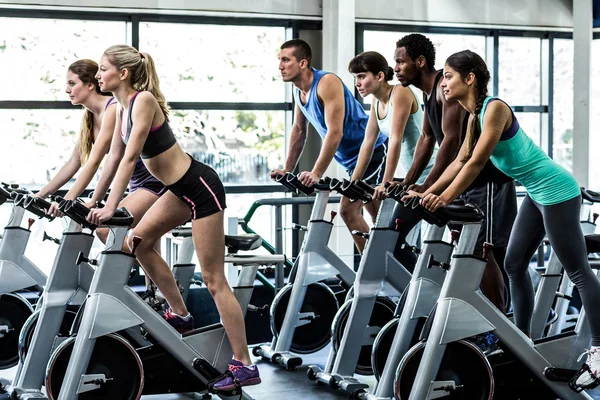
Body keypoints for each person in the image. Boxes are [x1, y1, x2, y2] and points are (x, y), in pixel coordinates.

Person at [407, 49, 600, 389]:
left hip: (556, 190)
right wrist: (426, 192)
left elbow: (476, 164)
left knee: (578, 271)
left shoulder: (494, 108)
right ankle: (522, 341)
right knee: (513, 264)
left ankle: (599, 348)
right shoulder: (474, 115)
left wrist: (444, 198)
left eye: (449, 77)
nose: (443, 85)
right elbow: (456, 161)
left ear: (470, 78)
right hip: (535, 193)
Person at [85, 44, 260, 392]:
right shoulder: (119, 111)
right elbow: (111, 161)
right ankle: (179, 313)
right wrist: (93, 202)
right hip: (177, 190)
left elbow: (130, 158)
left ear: (122, 74)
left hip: (199, 186)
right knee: (138, 242)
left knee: (213, 278)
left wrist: (111, 207)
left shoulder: (143, 101)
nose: (98, 75)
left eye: (103, 68)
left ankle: (244, 362)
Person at [393, 34, 516, 312]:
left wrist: (430, 189)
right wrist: (409, 183)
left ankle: (500, 321)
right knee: (470, 249)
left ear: (420, 62)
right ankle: (489, 317)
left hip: (487, 182)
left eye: (401, 62)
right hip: (464, 182)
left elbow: (450, 145)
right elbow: (427, 140)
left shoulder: (444, 90)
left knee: (485, 251)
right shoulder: (429, 95)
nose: (396, 68)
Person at [271, 39, 388, 253]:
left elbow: (336, 131)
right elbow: (299, 130)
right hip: (351, 160)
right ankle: (384, 264)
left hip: (370, 152)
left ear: (303, 63)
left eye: (286, 60)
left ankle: (372, 270)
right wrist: (287, 170)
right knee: (379, 217)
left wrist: (316, 172)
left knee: (348, 211)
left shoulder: (326, 82)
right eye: (279, 60)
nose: (280, 66)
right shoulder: (298, 91)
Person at [348, 51, 434, 271]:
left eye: (361, 76)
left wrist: (386, 183)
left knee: (397, 241)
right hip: (413, 179)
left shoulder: (400, 93)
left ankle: (420, 291)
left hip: (432, 176)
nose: (357, 83)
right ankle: (415, 292)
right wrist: (353, 182)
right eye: (356, 77)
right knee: (395, 241)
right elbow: (367, 143)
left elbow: (394, 140)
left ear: (379, 76)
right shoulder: (377, 105)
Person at [34, 59, 116, 209]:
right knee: (101, 230)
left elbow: (94, 162)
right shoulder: (89, 116)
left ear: (91, 85)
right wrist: (39, 195)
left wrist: (67, 200)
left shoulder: (112, 109)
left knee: (103, 230)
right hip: (131, 181)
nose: (67, 90)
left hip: (150, 180)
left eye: (72, 84)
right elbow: (74, 162)